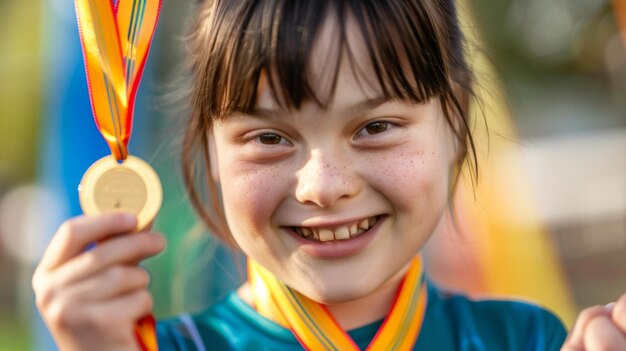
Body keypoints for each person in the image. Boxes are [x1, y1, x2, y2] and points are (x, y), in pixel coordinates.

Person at [32, 0, 626, 350]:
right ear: (207, 150)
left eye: (375, 127)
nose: (324, 184)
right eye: (268, 138)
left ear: (455, 121)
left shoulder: (523, 341)